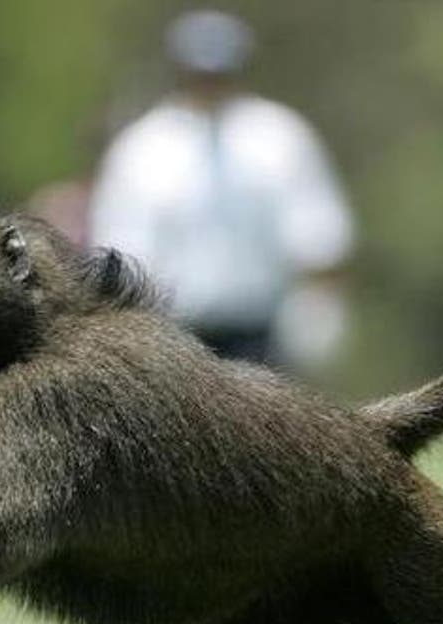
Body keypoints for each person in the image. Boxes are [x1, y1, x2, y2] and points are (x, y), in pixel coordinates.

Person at [88, 9, 355, 370]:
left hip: (261, 337)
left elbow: (319, 236)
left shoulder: (280, 137)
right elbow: (120, 248)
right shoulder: (142, 148)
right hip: (171, 336)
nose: (209, 82)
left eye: (219, 72)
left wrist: (320, 309)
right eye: (201, 72)